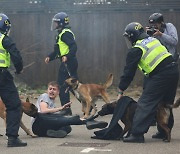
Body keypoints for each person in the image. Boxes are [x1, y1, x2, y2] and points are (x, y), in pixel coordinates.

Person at [117, 22, 179, 143]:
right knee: (165, 103)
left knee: (145, 103)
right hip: (173, 71)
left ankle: (136, 134)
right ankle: (163, 131)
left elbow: (128, 72)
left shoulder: (136, 49)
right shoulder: (152, 40)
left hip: (161, 74)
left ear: (132, 36)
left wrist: (120, 90)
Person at [31, 81, 108, 138]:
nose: (51, 91)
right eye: (50, 89)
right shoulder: (45, 96)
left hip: (42, 130)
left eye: (54, 89)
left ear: (58, 92)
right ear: (47, 90)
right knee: (63, 119)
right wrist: (60, 109)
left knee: (67, 127)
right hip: (38, 123)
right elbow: (43, 111)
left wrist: (61, 113)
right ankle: (87, 121)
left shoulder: (52, 103)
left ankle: (48, 133)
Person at [147, 12, 179, 139]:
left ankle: (167, 130)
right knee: (159, 102)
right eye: (152, 25)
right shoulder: (154, 33)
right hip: (160, 68)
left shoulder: (169, 27)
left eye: (155, 25)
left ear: (161, 23)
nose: (155, 27)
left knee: (168, 101)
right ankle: (161, 130)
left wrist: (161, 35)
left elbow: (174, 41)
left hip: (171, 66)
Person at [0, 13, 27, 147]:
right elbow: (16, 54)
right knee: (14, 105)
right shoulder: (4, 39)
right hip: (2, 76)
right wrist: (19, 68)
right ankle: (12, 139)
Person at [45, 12, 78, 115]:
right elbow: (57, 52)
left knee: (63, 86)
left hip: (69, 62)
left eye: (56, 23)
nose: (54, 25)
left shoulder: (66, 34)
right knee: (74, 86)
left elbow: (74, 47)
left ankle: (66, 111)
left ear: (62, 23)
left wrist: (67, 56)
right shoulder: (59, 34)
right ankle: (89, 106)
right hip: (66, 63)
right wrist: (49, 57)